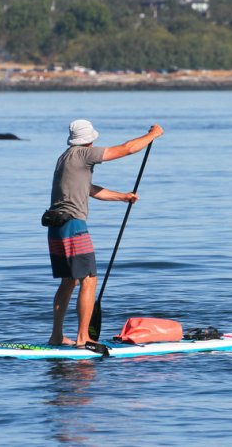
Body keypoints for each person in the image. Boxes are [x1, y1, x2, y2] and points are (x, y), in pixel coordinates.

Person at [46, 119, 164, 348]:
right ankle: (83, 338)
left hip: (56, 226)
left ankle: (57, 336)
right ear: (90, 139)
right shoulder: (83, 154)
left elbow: (88, 189)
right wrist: (153, 135)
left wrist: (123, 197)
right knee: (88, 280)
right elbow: (127, 148)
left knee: (68, 282)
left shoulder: (65, 158)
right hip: (73, 226)